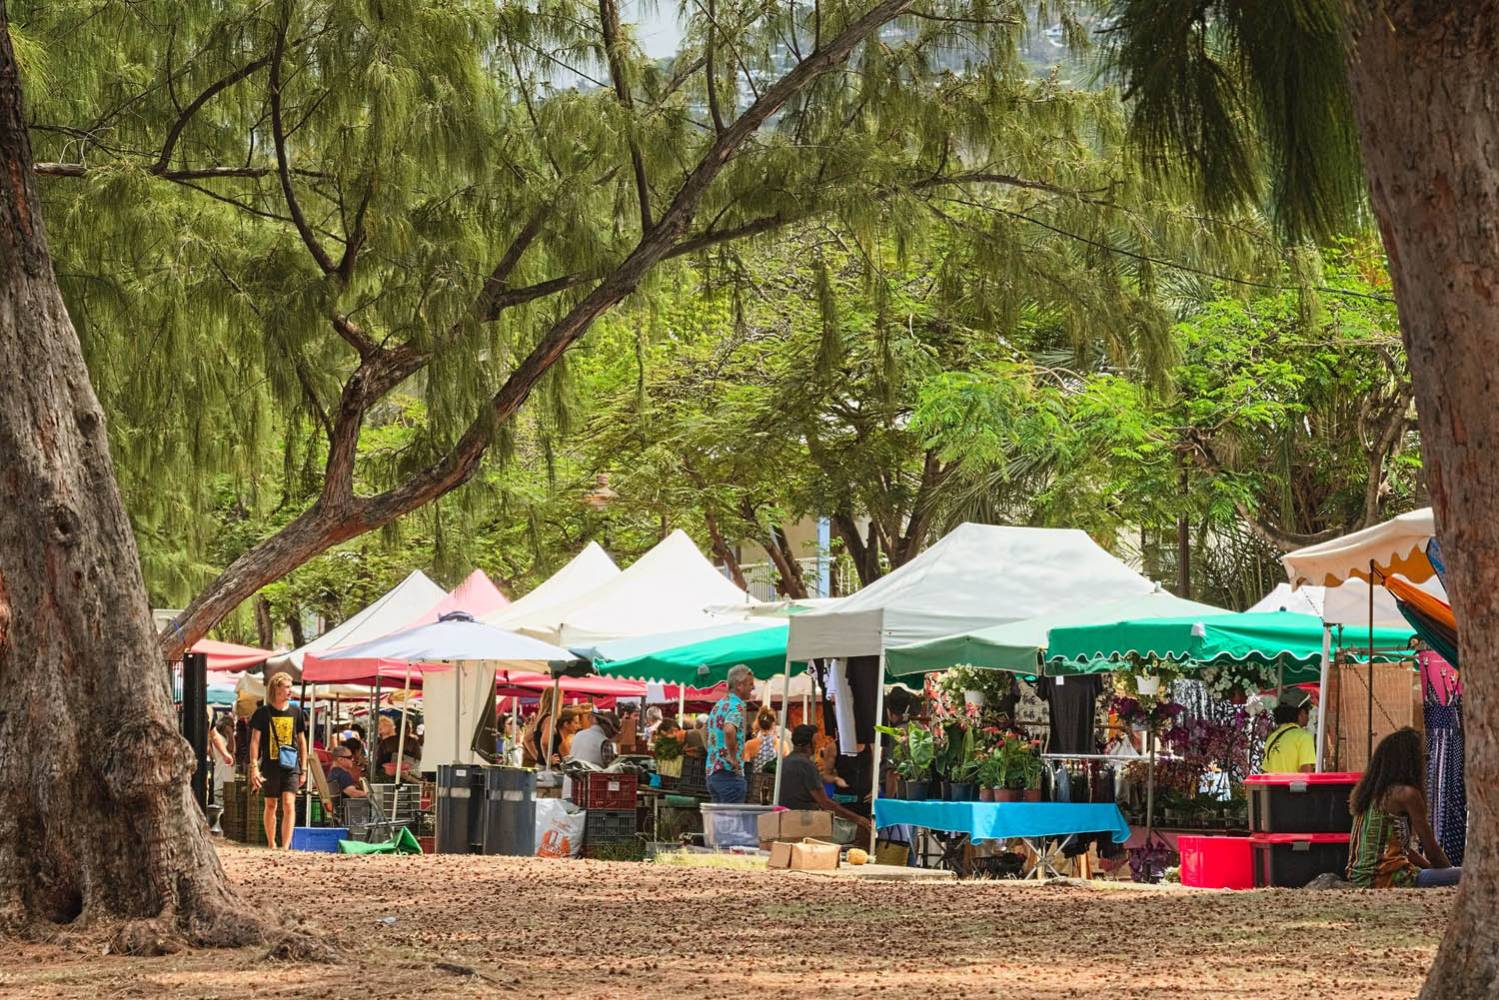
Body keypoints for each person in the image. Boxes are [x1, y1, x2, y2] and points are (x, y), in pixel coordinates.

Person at [1347, 728, 1460, 888]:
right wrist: (1450, 876)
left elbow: (1403, 849)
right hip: (1388, 879)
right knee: (1468, 875)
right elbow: (1431, 849)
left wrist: (1433, 871)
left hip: (1361, 877)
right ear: (1411, 761)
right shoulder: (1406, 794)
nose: (1425, 762)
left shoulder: (1371, 793)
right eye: (1424, 758)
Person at [248, 671, 308, 850]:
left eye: (291, 687)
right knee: (271, 804)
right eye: (287, 687)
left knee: (289, 803)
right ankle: (271, 843)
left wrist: (303, 768)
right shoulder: (262, 713)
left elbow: (302, 741)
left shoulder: (296, 711)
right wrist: (254, 767)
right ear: (276, 689)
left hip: (291, 765)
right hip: (270, 766)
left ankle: (285, 846)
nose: (290, 690)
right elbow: (255, 741)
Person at [779, 724, 873, 836]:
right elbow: (824, 802)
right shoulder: (807, 765)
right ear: (809, 744)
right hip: (804, 823)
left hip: (786, 820)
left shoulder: (785, 762)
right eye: (815, 741)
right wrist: (857, 818)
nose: (817, 744)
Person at [705, 664, 755, 803]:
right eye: (750, 684)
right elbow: (729, 729)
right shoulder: (737, 705)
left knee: (720, 823)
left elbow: (706, 731)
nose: (753, 688)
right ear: (739, 685)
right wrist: (733, 757)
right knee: (732, 822)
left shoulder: (719, 705)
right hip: (728, 774)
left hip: (713, 772)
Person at [1261, 688, 1317, 773]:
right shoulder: (1304, 737)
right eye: (1308, 711)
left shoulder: (1272, 737)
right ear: (1301, 713)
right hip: (1293, 786)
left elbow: (1265, 772)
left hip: (1274, 786)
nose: (1308, 715)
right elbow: (1306, 773)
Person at [742, 708, 782, 774]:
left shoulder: (749, 744)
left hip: (757, 782)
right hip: (776, 783)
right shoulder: (781, 744)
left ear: (758, 724)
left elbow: (745, 768)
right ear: (773, 724)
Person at [210, 713, 236, 808]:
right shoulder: (219, 739)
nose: (233, 729)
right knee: (220, 812)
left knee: (228, 814)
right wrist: (230, 733)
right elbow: (230, 750)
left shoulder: (228, 739)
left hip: (229, 782)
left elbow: (233, 754)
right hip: (221, 782)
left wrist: (230, 735)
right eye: (231, 727)